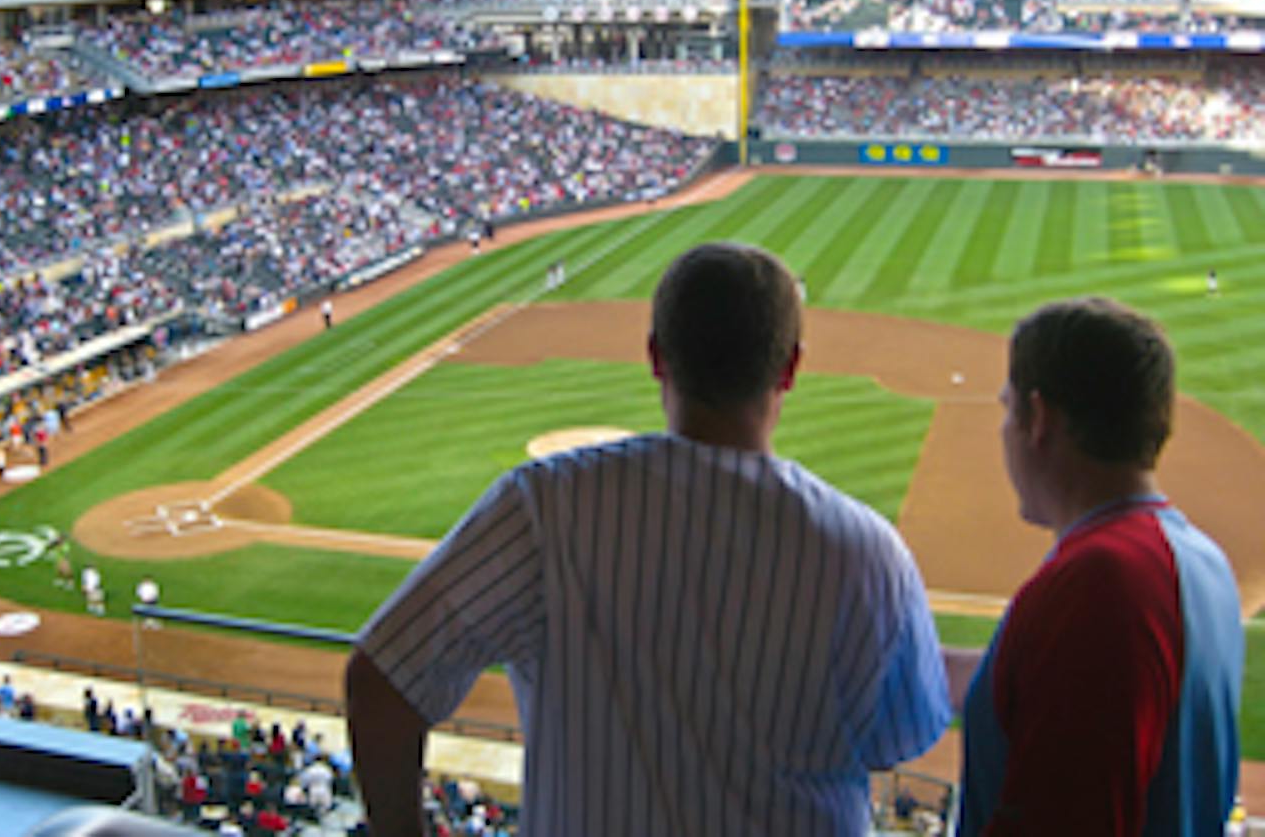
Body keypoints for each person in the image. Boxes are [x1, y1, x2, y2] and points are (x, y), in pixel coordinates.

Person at [347, 242, 949, 836]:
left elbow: (380, 678)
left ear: (656, 357)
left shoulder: (545, 507)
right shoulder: (870, 553)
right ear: (789, 367)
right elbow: (894, 742)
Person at [949, 298, 1243, 836]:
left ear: (1039, 419)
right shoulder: (1202, 563)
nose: (1003, 431)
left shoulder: (1099, 583)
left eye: (1007, 408)